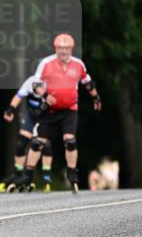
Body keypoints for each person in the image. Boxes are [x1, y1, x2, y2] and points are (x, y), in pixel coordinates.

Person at [12, 33, 101, 194]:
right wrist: (45, 95)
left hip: (69, 109)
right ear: (56, 48)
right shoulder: (46, 63)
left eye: (66, 48)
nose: (63, 51)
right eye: (60, 48)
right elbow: (35, 83)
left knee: (70, 141)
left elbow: (87, 82)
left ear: (71, 49)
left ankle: (72, 173)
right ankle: (28, 174)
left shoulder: (78, 64)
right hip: (49, 110)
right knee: (38, 143)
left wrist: (95, 97)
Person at [0, 76, 53, 192]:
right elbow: (18, 96)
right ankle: (17, 174)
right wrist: (10, 109)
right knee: (20, 144)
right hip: (31, 116)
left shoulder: (52, 81)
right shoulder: (30, 81)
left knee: (43, 144)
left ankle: (46, 176)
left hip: (45, 116)